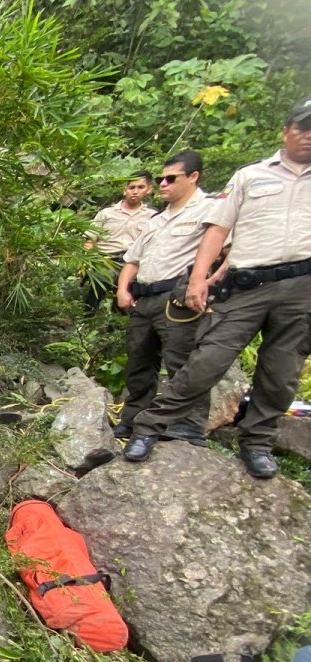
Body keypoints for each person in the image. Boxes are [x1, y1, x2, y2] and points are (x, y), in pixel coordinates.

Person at [123, 97, 311, 478]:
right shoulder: (251, 176)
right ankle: (149, 426)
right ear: (286, 131)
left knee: (281, 372)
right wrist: (199, 279)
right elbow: (218, 231)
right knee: (203, 363)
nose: (308, 136)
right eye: (302, 127)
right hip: (247, 284)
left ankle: (257, 442)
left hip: (301, 287)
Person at [114, 151, 221, 446]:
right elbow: (132, 260)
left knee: (183, 363)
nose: (162, 184)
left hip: (178, 299)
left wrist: (205, 283)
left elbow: (229, 251)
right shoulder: (156, 219)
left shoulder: (210, 210)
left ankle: (188, 424)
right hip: (144, 298)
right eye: (160, 178)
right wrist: (123, 289)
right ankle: (134, 419)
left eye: (170, 178)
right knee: (139, 363)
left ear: (193, 177)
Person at [84, 171, 157, 309]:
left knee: (129, 292)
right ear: (125, 190)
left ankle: (118, 325)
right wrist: (86, 262)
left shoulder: (152, 216)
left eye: (140, 187)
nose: (135, 191)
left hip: (133, 263)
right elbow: (90, 239)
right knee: (99, 283)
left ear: (149, 189)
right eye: (131, 187)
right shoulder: (107, 212)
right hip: (106, 260)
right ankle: (87, 318)